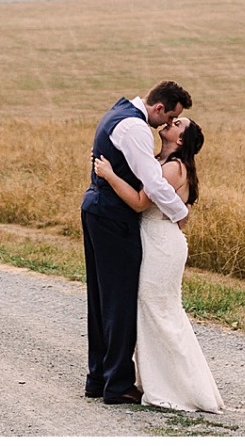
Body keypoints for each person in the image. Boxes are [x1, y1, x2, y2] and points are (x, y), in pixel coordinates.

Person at [93, 114, 224, 413]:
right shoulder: (160, 163)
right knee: (153, 309)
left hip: (162, 244)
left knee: (159, 310)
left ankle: (179, 388)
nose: (171, 122)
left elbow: (140, 202)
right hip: (153, 241)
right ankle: (158, 381)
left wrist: (109, 174)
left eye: (178, 124)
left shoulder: (174, 168)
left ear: (180, 140)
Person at [82, 80, 191, 405]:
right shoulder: (136, 128)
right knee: (119, 300)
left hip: (98, 211)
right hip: (113, 218)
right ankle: (116, 384)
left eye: (175, 123)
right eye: (170, 117)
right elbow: (154, 187)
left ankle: (98, 378)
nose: (168, 124)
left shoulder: (118, 111)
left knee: (102, 298)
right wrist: (179, 212)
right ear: (159, 108)